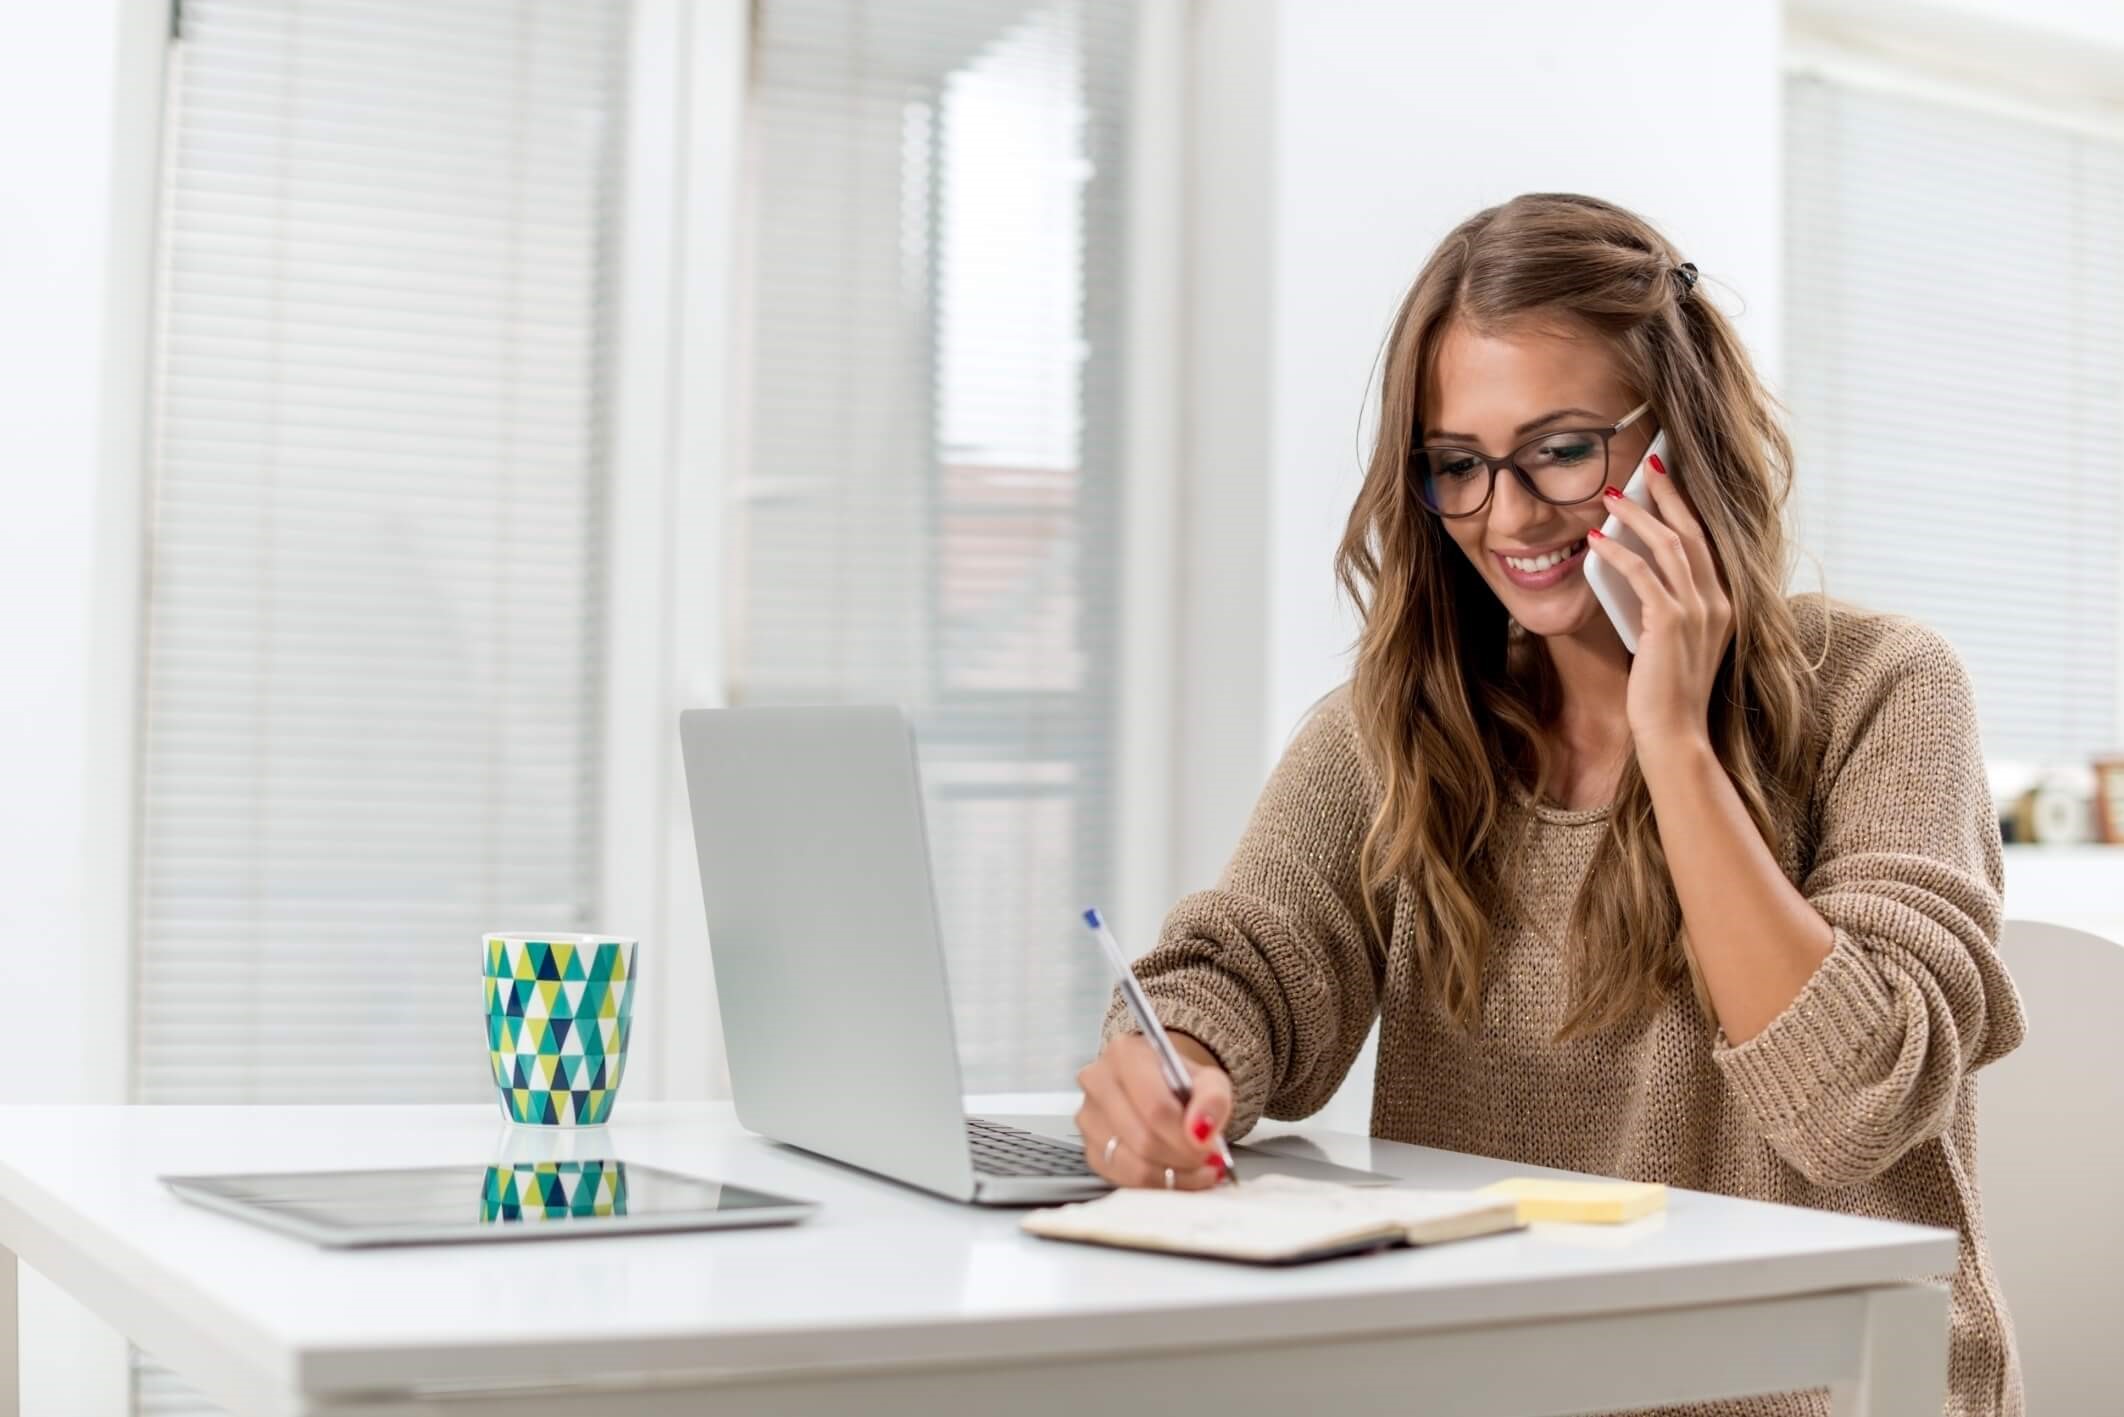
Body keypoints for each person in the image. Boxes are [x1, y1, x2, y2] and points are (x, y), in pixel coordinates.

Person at [1074, 193, 2025, 1417]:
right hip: (1502, 1381)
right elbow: (1247, 964)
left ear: (1682, 437)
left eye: (1563, 448)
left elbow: (1852, 1106)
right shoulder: (1403, 727)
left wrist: (1672, 740)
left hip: (1815, 1389)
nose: (1508, 516)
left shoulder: (1886, 690)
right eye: (1458, 466)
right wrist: (1177, 1066)